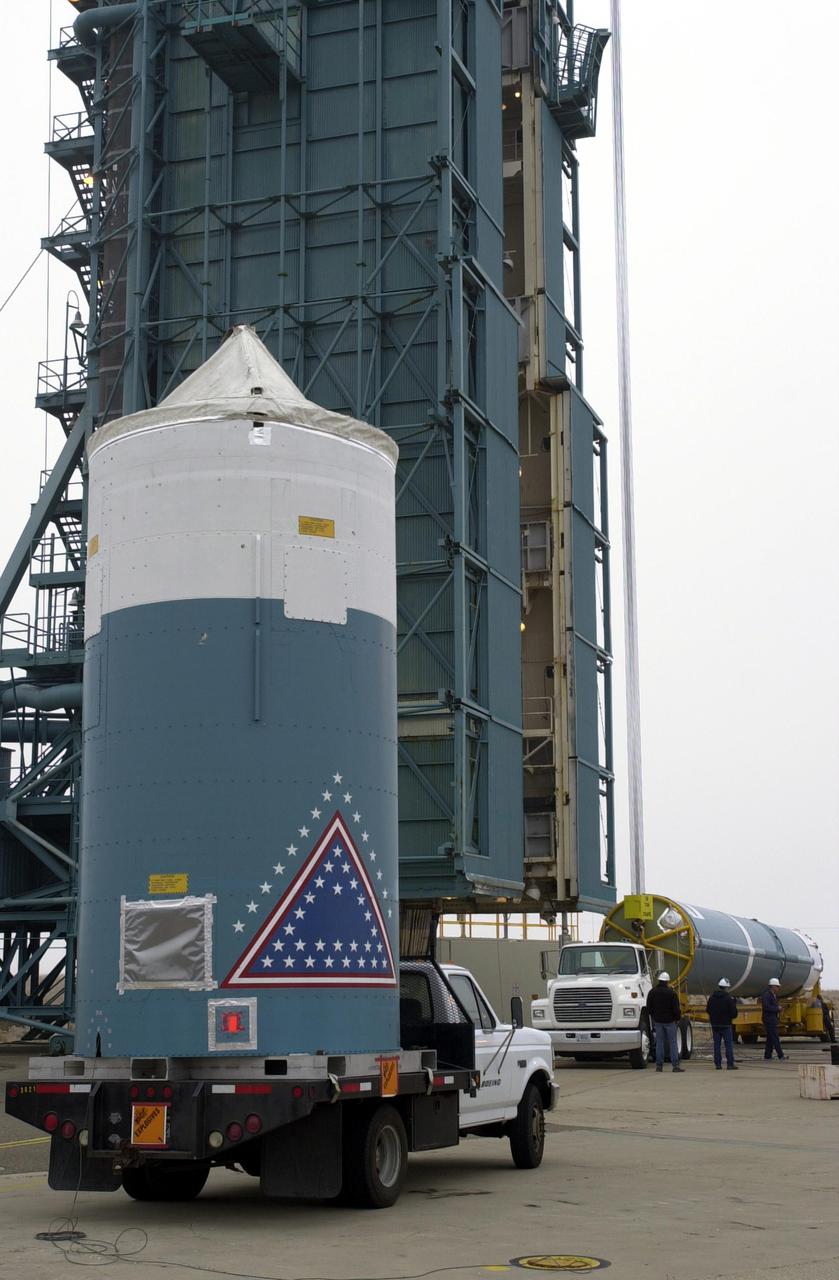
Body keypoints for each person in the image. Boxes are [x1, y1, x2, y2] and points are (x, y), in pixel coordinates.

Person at [646, 971, 684, 1073]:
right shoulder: (671, 993)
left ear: (659, 980)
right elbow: (676, 1009)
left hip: (658, 1021)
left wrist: (654, 1017)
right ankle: (675, 1066)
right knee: (673, 1043)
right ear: (667, 981)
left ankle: (659, 1066)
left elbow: (648, 1008)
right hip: (670, 1021)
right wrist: (677, 1018)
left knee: (659, 1043)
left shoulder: (652, 992)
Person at [705, 978, 738, 1070]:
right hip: (726, 1025)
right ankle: (730, 1064)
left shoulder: (712, 998)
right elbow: (734, 1013)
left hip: (715, 1025)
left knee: (717, 1045)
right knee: (728, 1045)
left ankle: (718, 1064)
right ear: (727, 987)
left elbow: (708, 1010)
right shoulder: (728, 998)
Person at [761, 977, 785, 1060]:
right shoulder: (767, 995)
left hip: (772, 1019)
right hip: (769, 1020)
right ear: (773, 986)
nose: (778, 988)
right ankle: (780, 1055)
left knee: (770, 1038)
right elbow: (766, 1007)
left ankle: (767, 1055)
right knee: (775, 1037)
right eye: (777, 986)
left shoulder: (773, 995)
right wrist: (777, 1009)